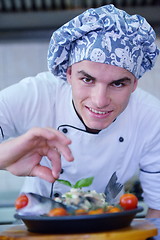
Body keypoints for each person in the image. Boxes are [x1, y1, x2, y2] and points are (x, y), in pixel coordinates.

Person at [0, 4, 160, 217]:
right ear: (68, 74)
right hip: (37, 225)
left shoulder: (151, 117)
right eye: (87, 79)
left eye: (118, 84)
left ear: (134, 84)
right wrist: (4, 157)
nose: (100, 100)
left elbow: (158, 210)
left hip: (110, 229)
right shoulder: (36, 94)